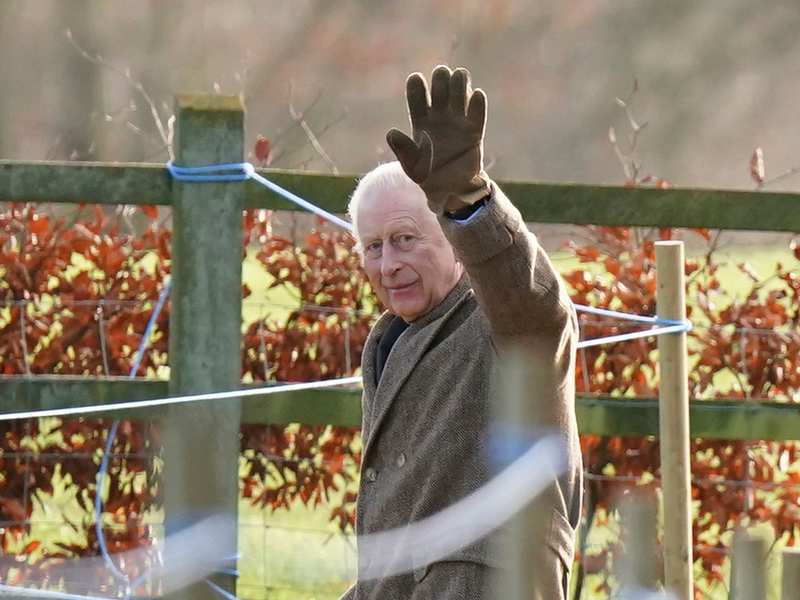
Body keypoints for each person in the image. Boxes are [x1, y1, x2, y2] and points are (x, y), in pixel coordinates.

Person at [341, 65, 582, 599]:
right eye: (372, 247)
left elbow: (535, 307)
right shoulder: (389, 344)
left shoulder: (500, 323)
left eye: (405, 239)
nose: (387, 264)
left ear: (453, 241)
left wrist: (465, 203)